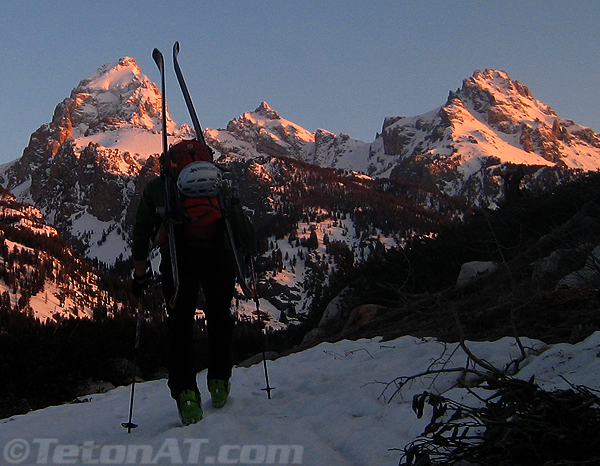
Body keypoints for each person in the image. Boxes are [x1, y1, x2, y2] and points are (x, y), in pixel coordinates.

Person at [130, 139, 258, 425]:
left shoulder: (157, 188)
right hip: (219, 255)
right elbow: (240, 222)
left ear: (167, 165)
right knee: (219, 317)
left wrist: (140, 275)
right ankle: (220, 383)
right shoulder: (217, 185)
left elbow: (140, 234)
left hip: (179, 258)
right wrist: (250, 246)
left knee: (180, 325)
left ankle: (186, 396)